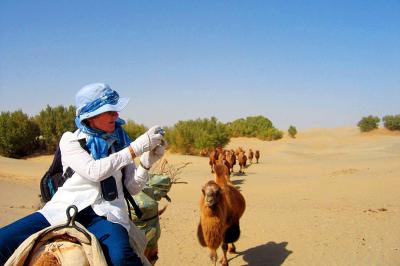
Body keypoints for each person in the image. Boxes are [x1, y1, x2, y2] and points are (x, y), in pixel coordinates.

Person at [0, 83, 166, 265]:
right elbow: (94, 171)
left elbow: (132, 188)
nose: (116, 115)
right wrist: (134, 149)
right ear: (90, 115)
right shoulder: (70, 140)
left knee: (122, 259)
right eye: (110, 111)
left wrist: (146, 163)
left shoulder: (121, 141)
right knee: (3, 241)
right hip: (63, 209)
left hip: (107, 214)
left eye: (115, 110)